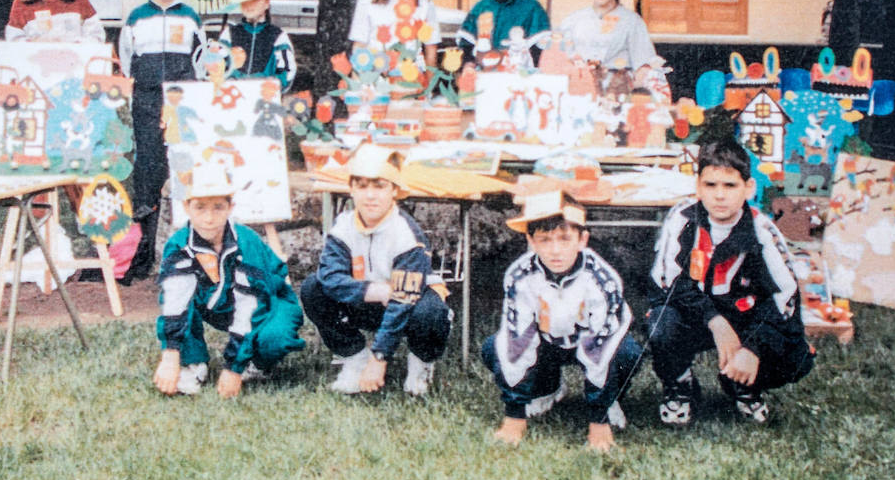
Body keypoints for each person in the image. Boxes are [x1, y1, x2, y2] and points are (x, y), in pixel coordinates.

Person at [647, 136, 815, 425]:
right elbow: (668, 283)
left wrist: (753, 347)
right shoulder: (682, 218)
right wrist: (715, 321)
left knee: (797, 354)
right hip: (696, 314)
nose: (720, 195)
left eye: (730, 185)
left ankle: (744, 384)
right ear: (698, 186)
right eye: (711, 185)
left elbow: (785, 297)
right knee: (661, 323)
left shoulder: (762, 230)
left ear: (748, 188)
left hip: (745, 315)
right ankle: (680, 385)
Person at [481, 191, 642, 452]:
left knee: (627, 353)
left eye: (565, 239)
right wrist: (514, 415)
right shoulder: (519, 276)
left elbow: (602, 346)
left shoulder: (602, 279)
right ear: (531, 241)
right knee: (493, 348)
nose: (556, 250)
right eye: (545, 240)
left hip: (591, 342)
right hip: (547, 344)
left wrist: (598, 421)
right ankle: (546, 388)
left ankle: (608, 399)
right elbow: (516, 341)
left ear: (582, 240)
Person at [300, 144, 451, 396]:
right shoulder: (343, 226)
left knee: (431, 312)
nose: (370, 195)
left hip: (408, 304)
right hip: (366, 299)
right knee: (313, 288)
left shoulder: (407, 235)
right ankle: (354, 358)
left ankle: (420, 365)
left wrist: (380, 358)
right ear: (351, 189)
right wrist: (373, 291)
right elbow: (329, 277)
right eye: (362, 186)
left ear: (394, 190)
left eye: (379, 186)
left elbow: (403, 299)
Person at [152, 164, 305, 397]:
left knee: (276, 337)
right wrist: (170, 354)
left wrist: (234, 367)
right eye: (200, 208)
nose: (209, 218)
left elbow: (252, 306)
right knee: (183, 293)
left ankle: (256, 363)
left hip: (268, 301)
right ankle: (193, 362)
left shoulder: (246, 242)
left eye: (218, 208)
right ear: (187, 207)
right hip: (219, 300)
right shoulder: (178, 244)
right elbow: (173, 300)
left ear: (230, 207)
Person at [118, 0, 204, 283]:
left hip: (182, 97)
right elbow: (127, 58)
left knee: (182, 166)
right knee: (149, 167)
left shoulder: (190, 16)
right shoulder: (137, 17)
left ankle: (184, 252)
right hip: (147, 98)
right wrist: (143, 86)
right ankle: (142, 254)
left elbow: (201, 58)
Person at [218, 0, 297, 91]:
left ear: (267, 2)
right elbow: (217, 64)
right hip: (233, 96)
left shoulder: (278, 36)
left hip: (265, 97)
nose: (249, 5)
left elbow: (287, 70)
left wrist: (273, 86)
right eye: (245, 1)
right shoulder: (229, 33)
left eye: (255, 0)